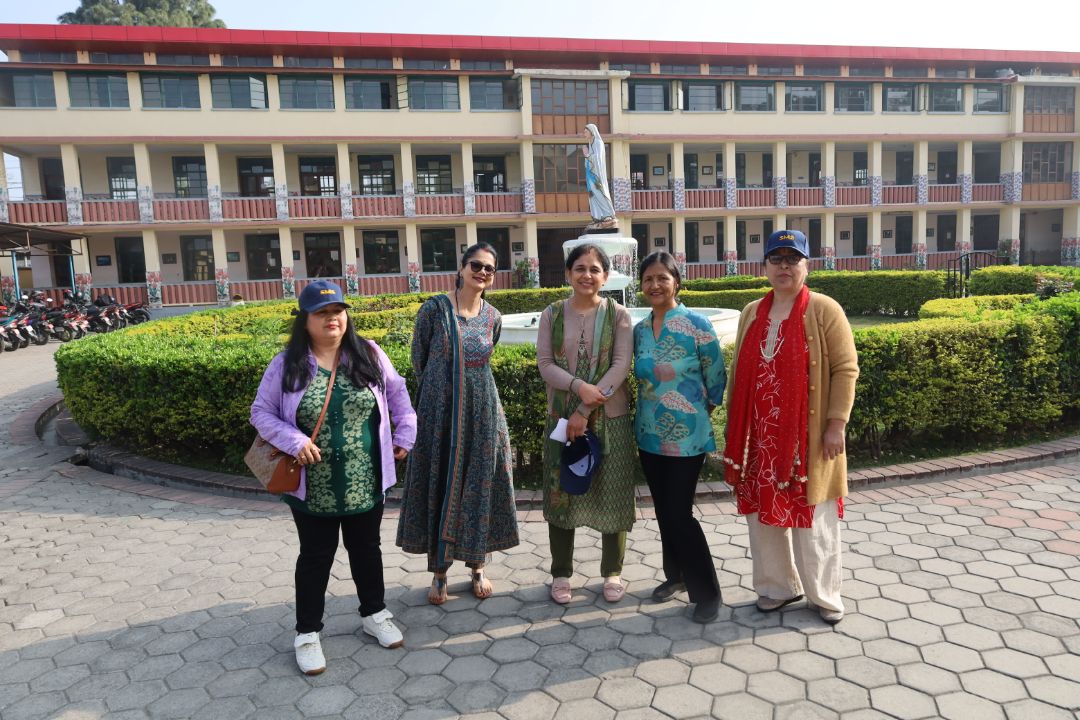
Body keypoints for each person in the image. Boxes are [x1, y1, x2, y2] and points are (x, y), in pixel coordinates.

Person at [250, 280, 417, 676]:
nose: (332, 319)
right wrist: (293, 441)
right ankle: (307, 633)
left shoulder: (368, 353)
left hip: (365, 477)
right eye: (322, 313)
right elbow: (261, 412)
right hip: (313, 485)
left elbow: (398, 395)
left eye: (338, 311)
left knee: (367, 549)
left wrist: (405, 433)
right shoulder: (287, 364)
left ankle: (374, 613)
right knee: (315, 556)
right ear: (305, 320)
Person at [723, 229, 859, 625]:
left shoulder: (823, 308)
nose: (784, 266)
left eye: (792, 258)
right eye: (776, 258)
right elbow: (738, 374)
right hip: (759, 437)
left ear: (806, 265)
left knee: (813, 517)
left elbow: (845, 369)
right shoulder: (752, 311)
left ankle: (824, 594)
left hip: (808, 437)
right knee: (763, 516)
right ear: (765, 265)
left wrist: (836, 424)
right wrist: (734, 428)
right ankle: (776, 588)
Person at [396, 242, 519, 605]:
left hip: (482, 415)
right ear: (462, 268)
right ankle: (439, 573)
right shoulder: (434, 310)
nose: (482, 273)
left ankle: (478, 566)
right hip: (439, 415)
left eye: (489, 269)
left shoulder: (493, 317)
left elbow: (486, 358)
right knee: (440, 484)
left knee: (479, 487)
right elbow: (419, 360)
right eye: (476, 265)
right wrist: (440, 394)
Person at [537, 244, 637, 604]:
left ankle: (612, 571)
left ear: (606, 277)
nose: (587, 275)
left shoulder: (619, 315)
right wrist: (579, 388)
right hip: (560, 419)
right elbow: (545, 364)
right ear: (568, 273)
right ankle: (561, 573)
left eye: (595, 269)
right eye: (579, 268)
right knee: (561, 492)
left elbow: (621, 366)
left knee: (614, 492)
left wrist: (583, 411)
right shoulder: (551, 314)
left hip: (611, 418)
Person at [633, 252, 727, 623]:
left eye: (662, 277)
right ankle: (677, 576)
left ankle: (708, 592)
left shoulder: (697, 324)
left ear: (676, 281)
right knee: (663, 510)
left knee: (679, 513)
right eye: (648, 279)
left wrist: (702, 410)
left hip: (688, 436)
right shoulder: (640, 329)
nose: (655, 285)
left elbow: (716, 375)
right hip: (649, 434)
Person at [582, 123, 617, 230]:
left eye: (586, 131)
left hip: (597, 175)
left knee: (599, 192)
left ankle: (607, 214)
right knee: (593, 194)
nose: (584, 134)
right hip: (591, 174)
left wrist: (587, 155)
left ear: (591, 131)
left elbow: (598, 158)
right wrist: (587, 156)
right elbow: (590, 159)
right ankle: (597, 216)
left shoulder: (598, 142)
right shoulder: (590, 143)